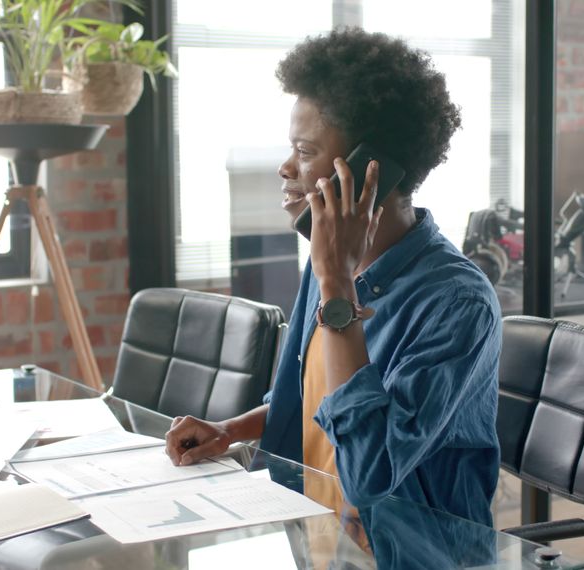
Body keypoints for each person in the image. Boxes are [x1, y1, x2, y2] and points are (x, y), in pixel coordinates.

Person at [165, 28, 501, 532]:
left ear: (372, 173)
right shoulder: (326, 266)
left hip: (411, 553)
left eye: (304, 151)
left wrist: (338, 287)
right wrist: (230, 430)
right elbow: (316, 401)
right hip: (314, 534)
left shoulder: (456, 303)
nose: (285, 168)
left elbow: (370, 475)